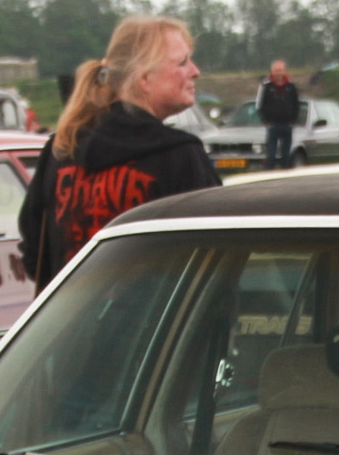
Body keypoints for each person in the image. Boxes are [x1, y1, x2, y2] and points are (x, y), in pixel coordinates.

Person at [18, 16, 219, 289]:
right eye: (182, 62)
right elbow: (214, 263)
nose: (195, 71)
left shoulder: (61, 150)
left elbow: (34, 258)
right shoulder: (180, 156)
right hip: (152, 329)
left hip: (69, 328)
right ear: (145, 78)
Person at [256, 58, 300, 170]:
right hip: (273, 125)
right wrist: (266, 121)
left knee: (286, 156)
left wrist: (293, 121)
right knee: (271, 156)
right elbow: (259, 105)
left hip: (287, 125)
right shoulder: (265, 85)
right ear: (272, 71)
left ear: (284, 71)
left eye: (280, 70)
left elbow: (296, 104)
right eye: (276, 70)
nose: (278, 73)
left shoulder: (291, 86)